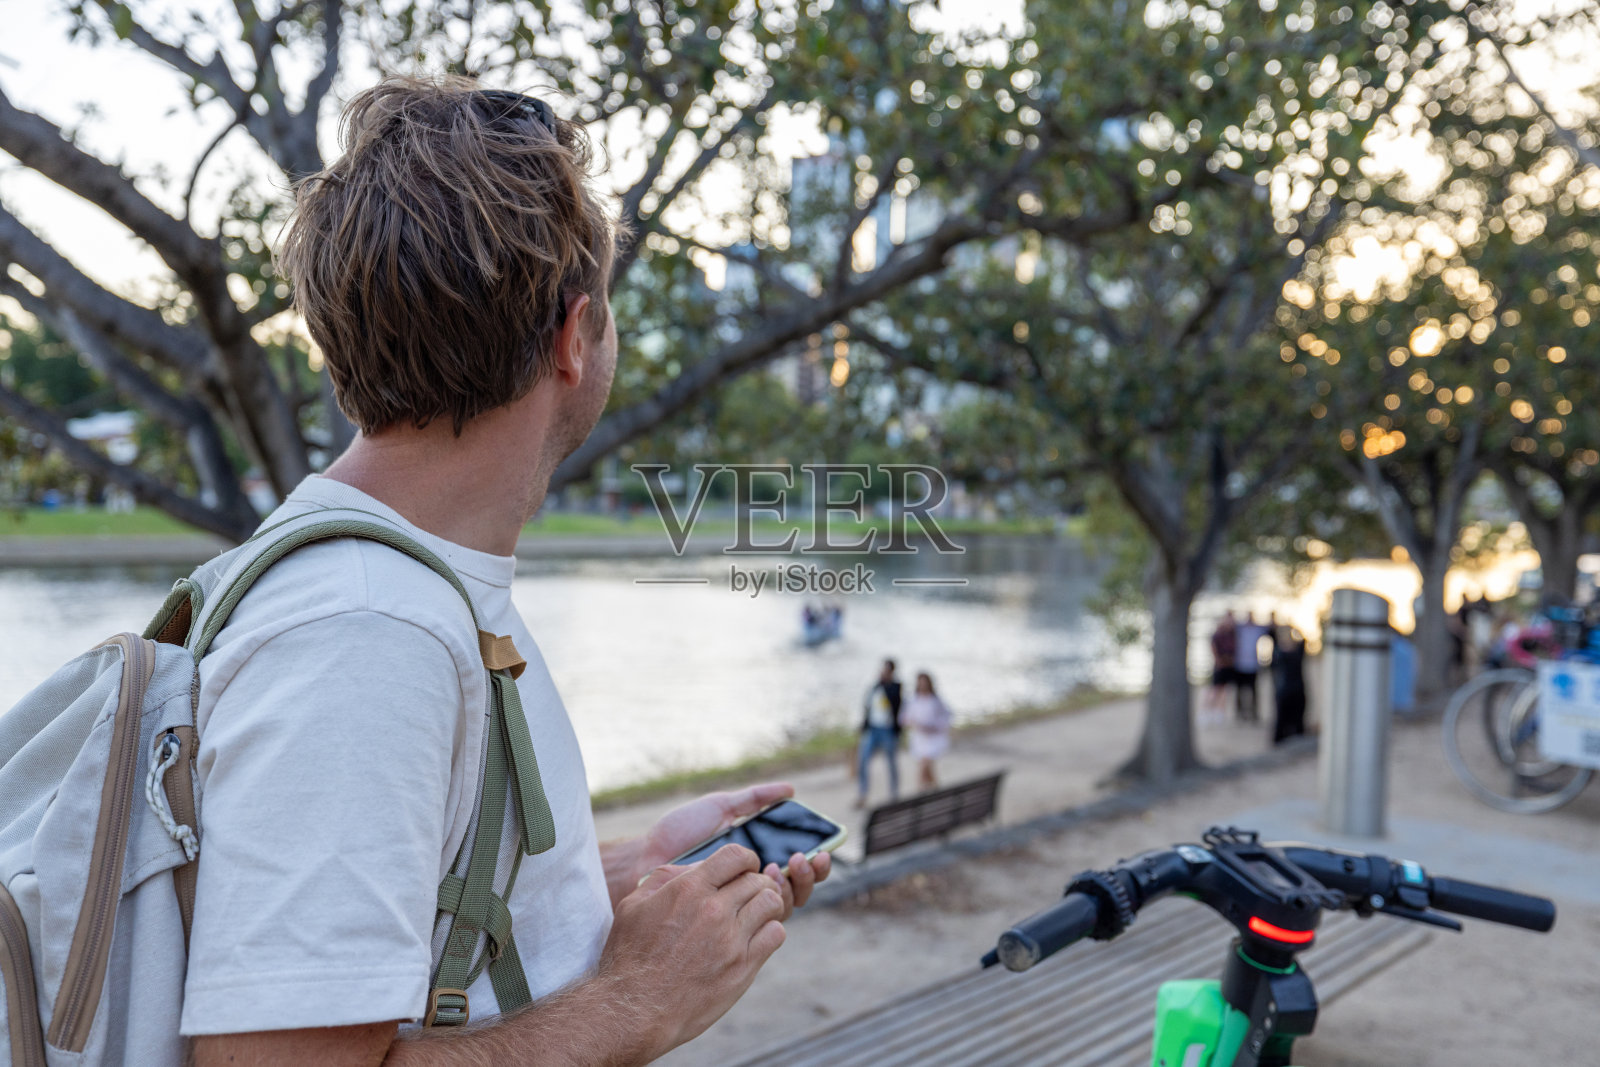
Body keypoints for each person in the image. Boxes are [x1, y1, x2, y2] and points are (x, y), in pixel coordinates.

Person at [188, 77, 829, 1066]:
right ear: (575, 337)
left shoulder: (419, 589)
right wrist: (632, 1001)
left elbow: (402, 925)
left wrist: (599, 880)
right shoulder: (364, 634)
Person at [856, 658, 904, 807]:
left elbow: (896, 702)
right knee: (863, 761)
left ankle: (894, 794)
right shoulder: (875, 687)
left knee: (891, 763)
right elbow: (867, 706)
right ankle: (862, 794)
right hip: (872, 729)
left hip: (887, 730)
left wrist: (886, 683)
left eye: (887, 670)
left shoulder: (895, 687)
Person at [902, 672, 954, 790]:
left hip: (933, 738)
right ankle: (935, 790)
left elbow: (947, 717)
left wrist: (935, 726)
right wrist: (914, 723)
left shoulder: (936, 700)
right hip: (919, 739)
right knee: (928, 769)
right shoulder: (913, 700)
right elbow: (904, 718)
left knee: (924, 765)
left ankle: (919, 791)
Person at [1271, 626, 1308, 743]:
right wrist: (1295, 630)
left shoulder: (1282, 653)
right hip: (1288, 691)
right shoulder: (1280, 653)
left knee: (1295, 721)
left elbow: (1303, 641)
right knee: (1284, 721)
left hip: (1293, 690)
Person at [1205, 611, 1238, 724]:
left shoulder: (1233, 633)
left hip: (1229, 665)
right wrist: (1219, 661)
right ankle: (1208, 712)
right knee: (1215, 689)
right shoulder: (1218, 634)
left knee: (1225, 690)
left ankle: (1220, 713)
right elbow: (1213, 648)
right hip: (1220, 665)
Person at [1234, 611, 1267, 722]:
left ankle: (1254, 713)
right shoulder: (1240, 629)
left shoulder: (1257, 629)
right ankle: (1239, 714)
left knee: (1254, 691)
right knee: (1239, 691)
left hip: (1253, 665)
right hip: (1240, 664)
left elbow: (1268, 628)